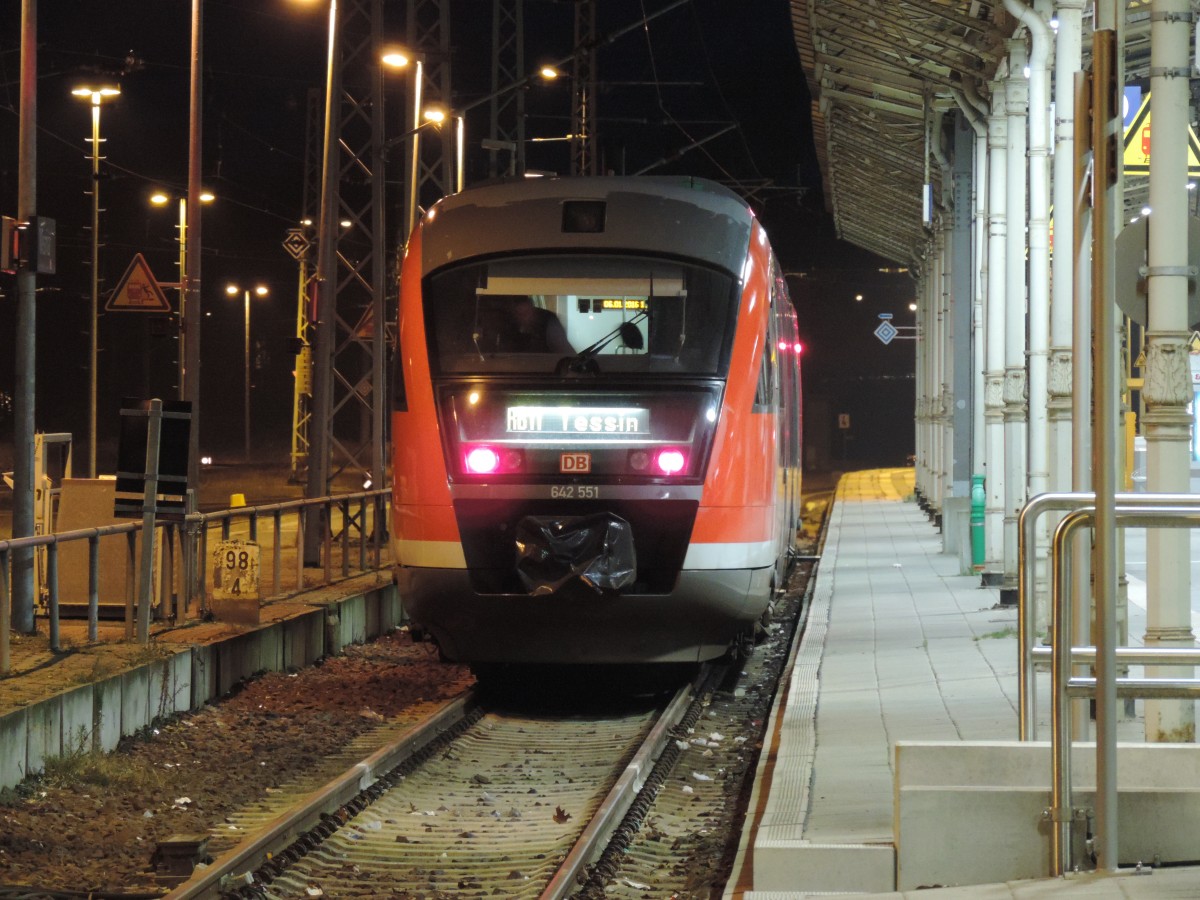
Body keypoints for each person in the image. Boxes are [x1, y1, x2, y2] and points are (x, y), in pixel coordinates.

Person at [497, 297, 574, 353]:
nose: (524, 317)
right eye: (519, 314)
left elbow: (564, 350)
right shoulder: (507, 324)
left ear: (532, 308)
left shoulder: (548, 320)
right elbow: (502, 354)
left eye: (526, 313)